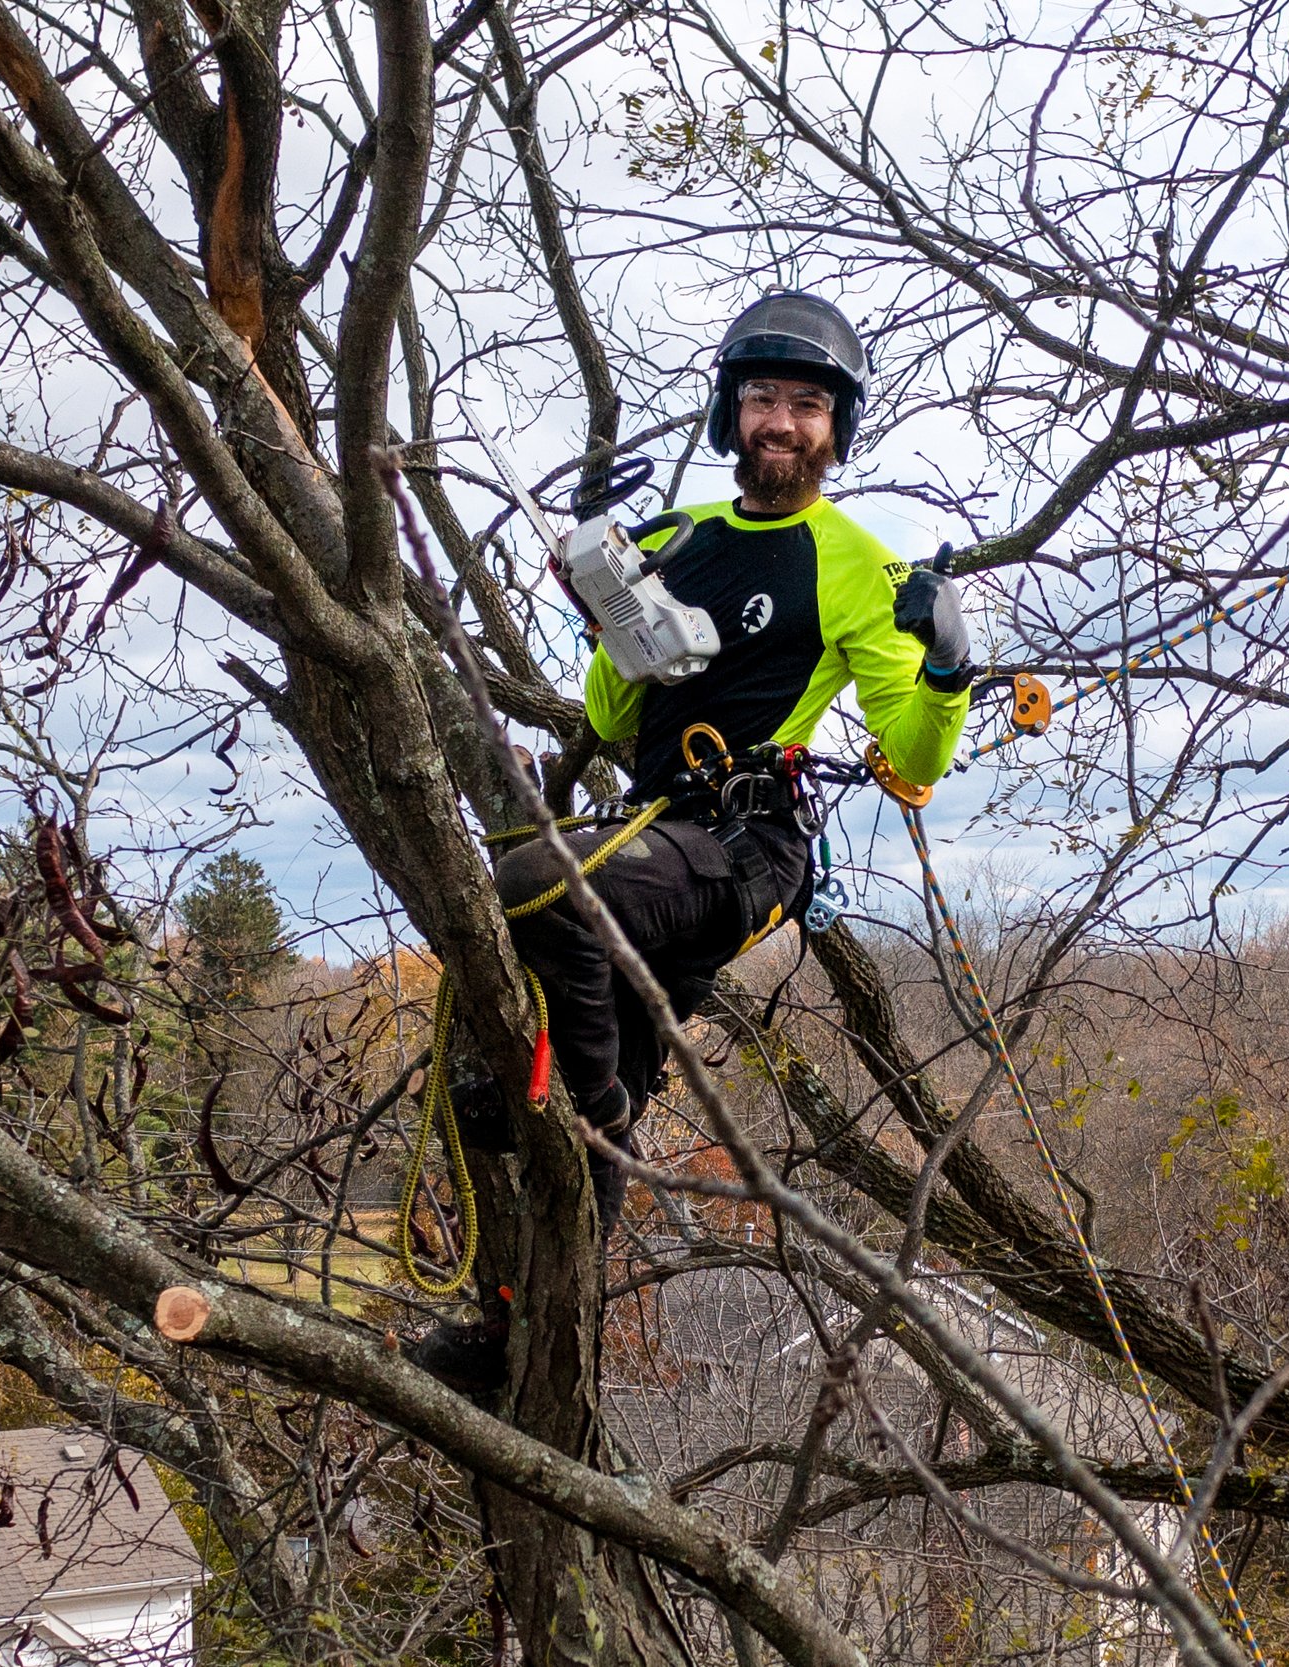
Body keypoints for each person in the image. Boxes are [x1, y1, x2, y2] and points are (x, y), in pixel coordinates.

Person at [410, 291, 975, 1396]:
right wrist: (607, 608)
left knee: (533, 880)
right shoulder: (673, 542)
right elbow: (617, 724)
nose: (781, 419)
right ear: (731, 413)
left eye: (806, 403)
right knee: (516, 1085)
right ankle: (515, 1338)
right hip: (650, 831)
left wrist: (947, 673)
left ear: (832, 429)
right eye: (763, 396)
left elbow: (909, 762)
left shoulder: (855, 563)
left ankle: (599, 1105)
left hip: (744, 848)